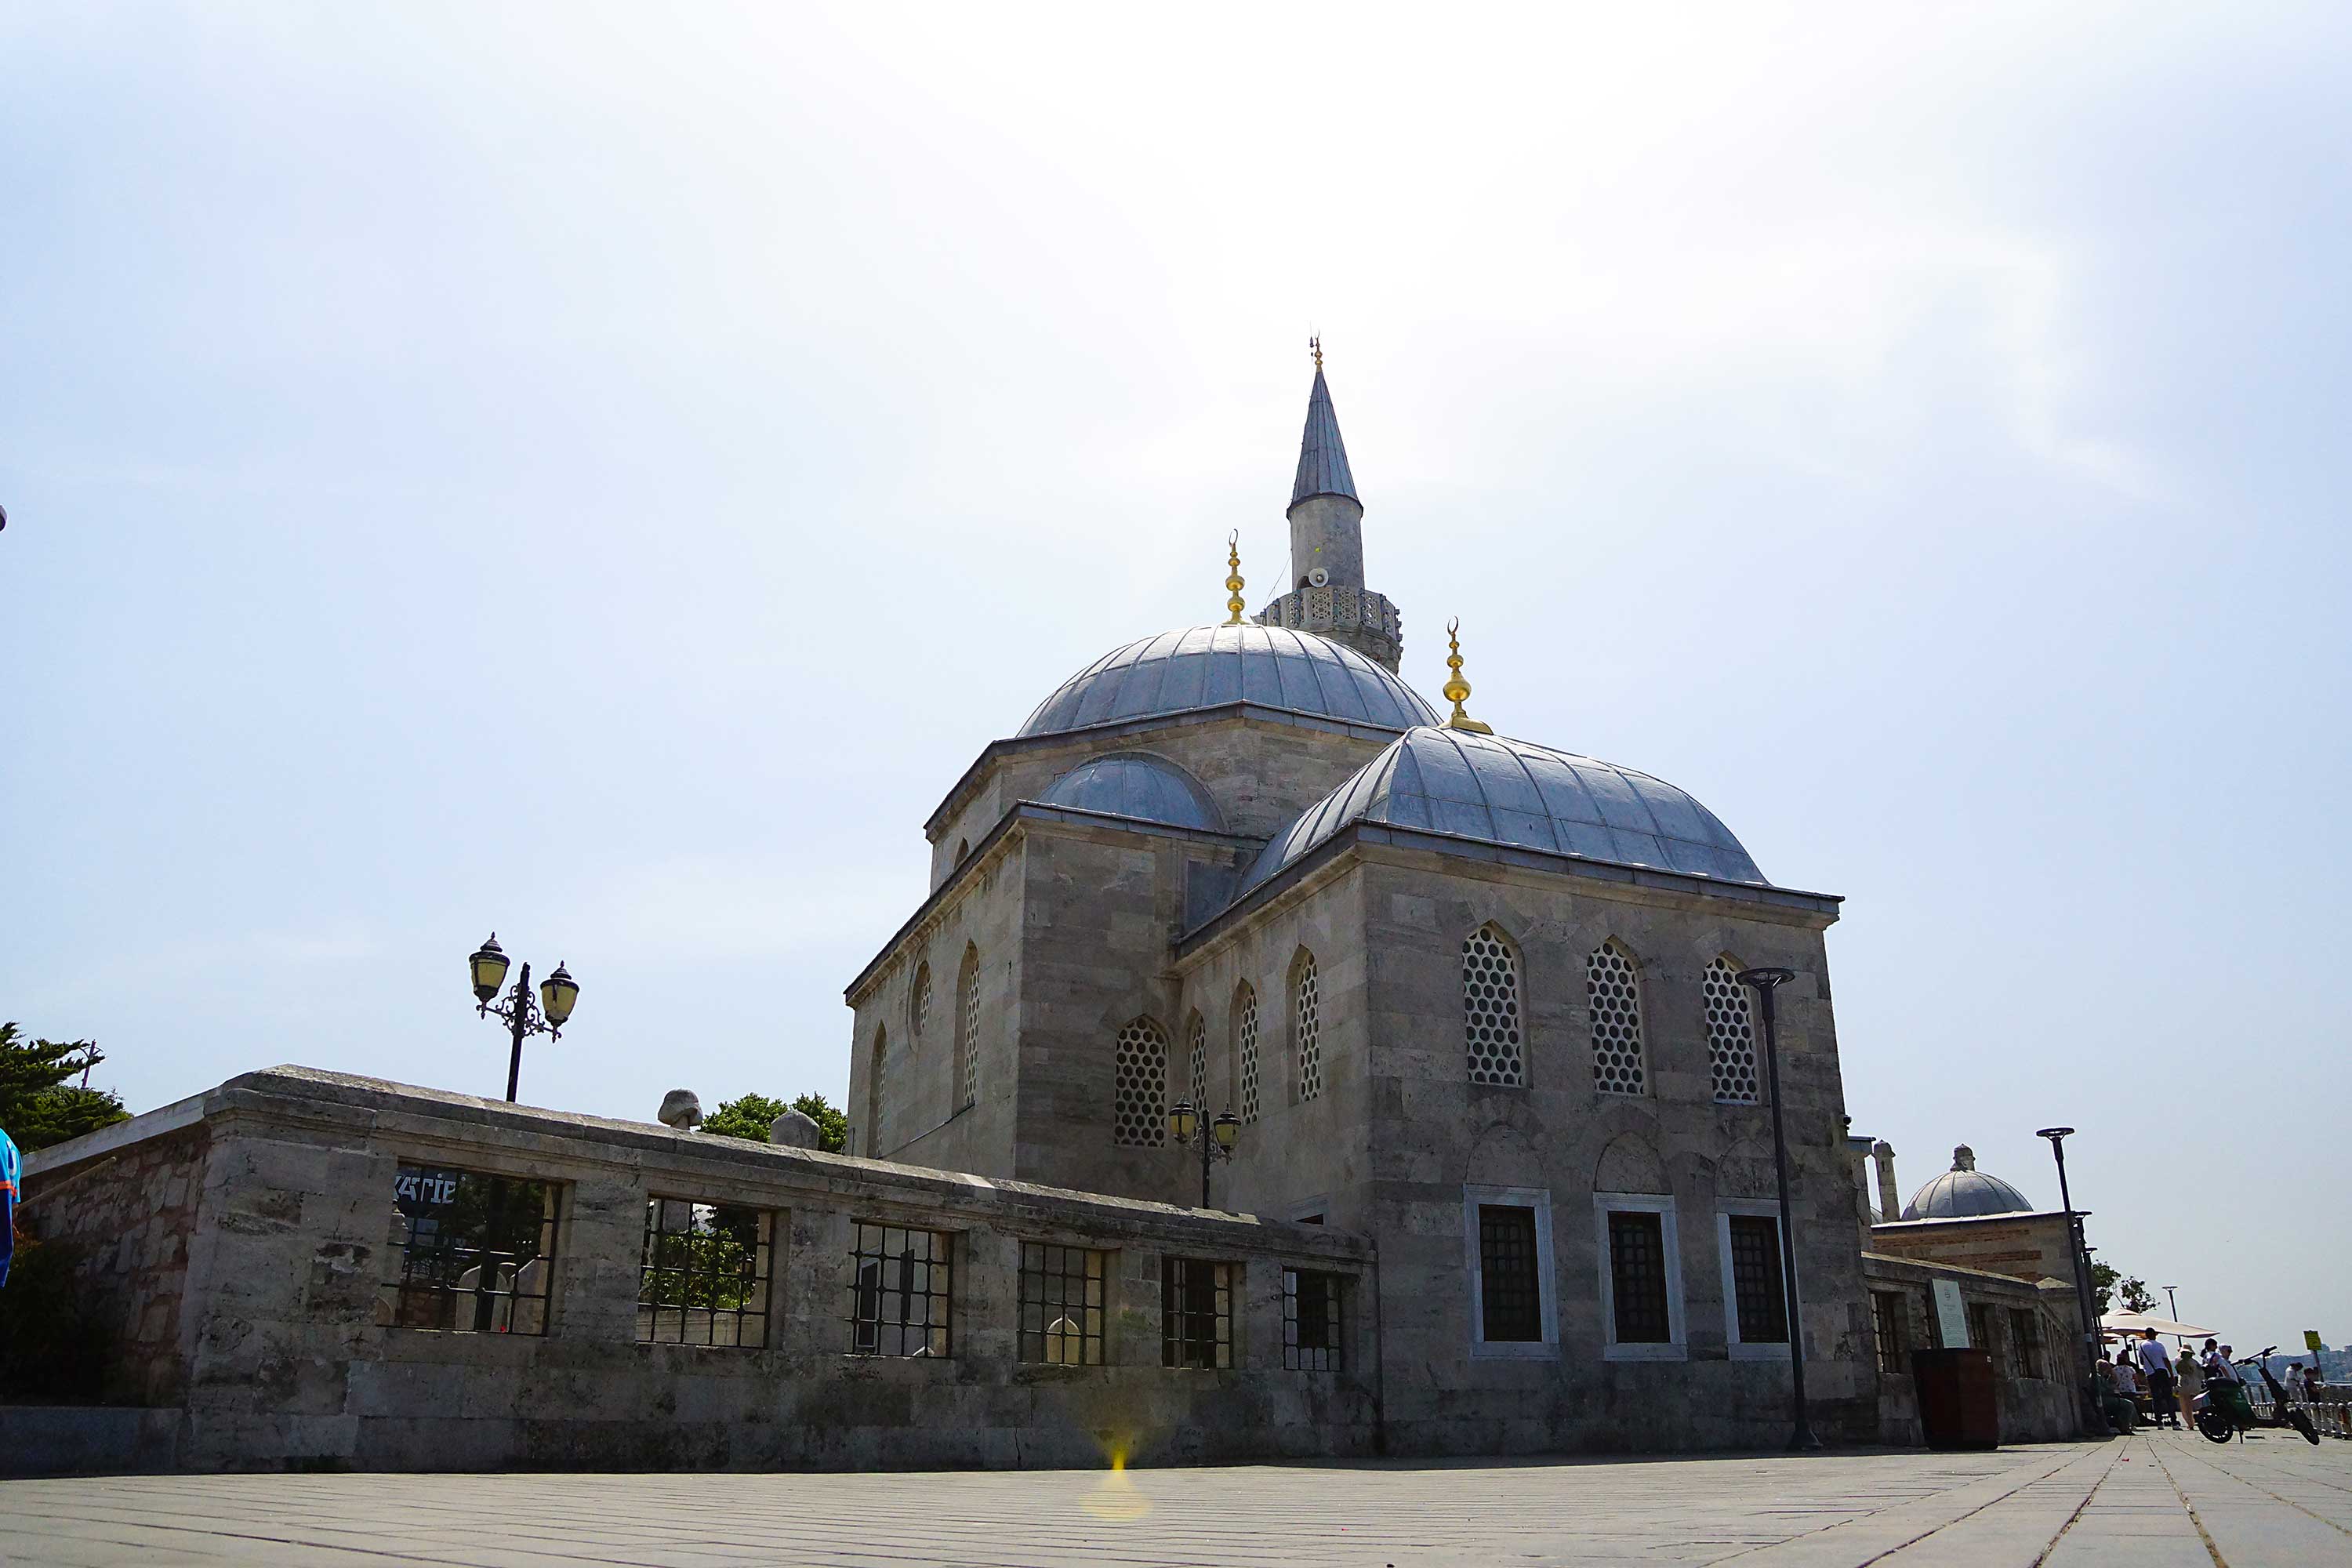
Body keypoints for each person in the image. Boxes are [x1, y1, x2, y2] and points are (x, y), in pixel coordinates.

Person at [2137, 1328, 2180, 1429]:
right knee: (2168, 1397)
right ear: (2154, 1335)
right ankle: (2174, 1421)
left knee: (2156, 1398)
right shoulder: (2159, 1345)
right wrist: (2171, 1375)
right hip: (2162, 1372)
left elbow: (2142, 1362)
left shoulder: (2141, 1347)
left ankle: (2159, 1422)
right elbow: (2166, 1360)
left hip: (2151, 1374)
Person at [2176, 1344, 2205, 1428]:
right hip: (2196, 1385)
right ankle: (2197, 1421)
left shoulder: (2178, 1361)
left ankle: (2190, 1423)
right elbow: (2202, 1375)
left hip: (2184, 1385)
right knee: (2197, 1405)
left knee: (2185, 1406)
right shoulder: (2195, 1363)